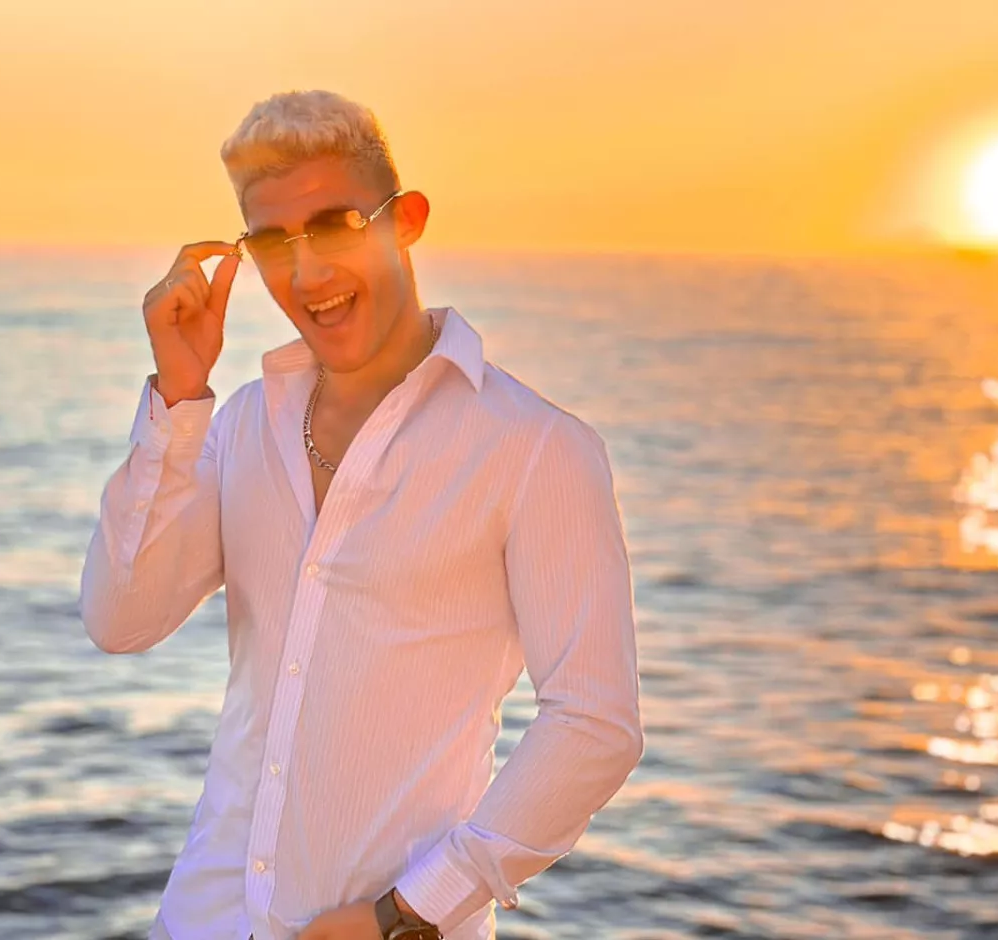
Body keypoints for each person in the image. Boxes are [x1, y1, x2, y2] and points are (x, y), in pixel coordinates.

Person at [78, 89, 644, 940]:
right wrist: (180, 395)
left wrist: (406, 915)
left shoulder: (535, 450)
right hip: (201, 921)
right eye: (274, 242)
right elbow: (122, 620)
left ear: (404, 221)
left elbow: (596, 724)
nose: (307, 274)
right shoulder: (242, 423)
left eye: (337, 226)